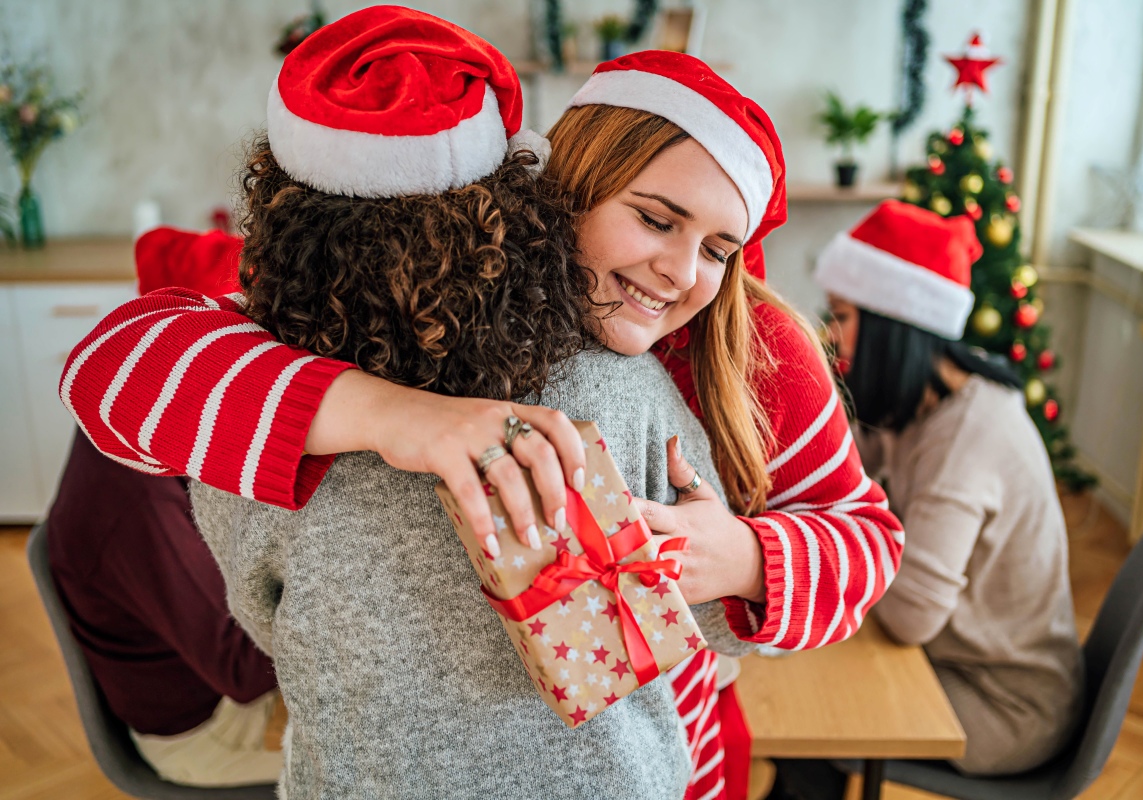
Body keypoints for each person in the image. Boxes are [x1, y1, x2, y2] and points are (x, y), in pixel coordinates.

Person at [60, 44, 904, 800]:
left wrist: (744, 558)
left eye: (720, 249)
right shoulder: (426, 315)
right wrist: (399, 416)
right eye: (654, 218)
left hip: (675, 748)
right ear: (562, 192)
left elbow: (869, 543)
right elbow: (117, 366)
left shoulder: (754, 347)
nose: (681, 274)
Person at [786, 200, 1083, 791]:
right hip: (954, 661)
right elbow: (833, 487)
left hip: (1001, 705)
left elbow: (908, 617)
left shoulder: (967, 438)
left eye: (842, 316)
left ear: (892, 326)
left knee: (809, 695)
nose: (831, 335)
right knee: (804, 665)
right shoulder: (917, 406)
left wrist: (844, 539)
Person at [45, 253, 279, 788]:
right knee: (390, 769)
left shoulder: (140, 420)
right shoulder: (135, 503)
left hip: (213, 673)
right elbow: (242, 671)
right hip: (206, 729)